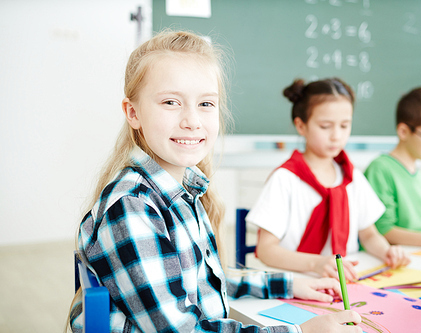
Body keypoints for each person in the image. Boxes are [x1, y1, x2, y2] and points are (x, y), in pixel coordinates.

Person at [68, 31, 363, 333]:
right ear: (133, 112)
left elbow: (203, 280)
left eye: (206, 104)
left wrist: (291, 283)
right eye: (171, 102)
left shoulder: (181, 190)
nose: (192, 120)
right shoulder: (132, 209)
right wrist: (303, 331)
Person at [246, 78, 410, 282]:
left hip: (343, 284)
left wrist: (387, 252)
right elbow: (266, 250)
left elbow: (368, 235)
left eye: (344, 125)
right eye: (325, 126)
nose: (336, 136)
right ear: (301, 125)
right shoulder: (285, 179)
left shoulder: (352, 177)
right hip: (296, 284)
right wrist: (317, 263)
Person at [364, 87, 421, 247]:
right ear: (404, 131)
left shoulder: (420, 176)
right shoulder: (380, 169)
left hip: (416, 254)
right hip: (392, 258)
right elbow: (383, 230)